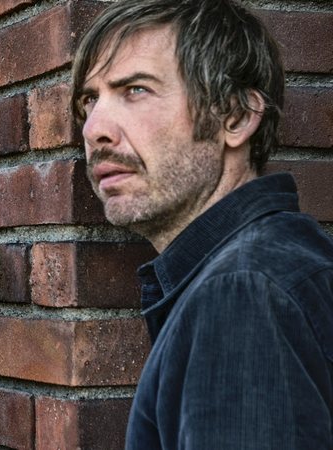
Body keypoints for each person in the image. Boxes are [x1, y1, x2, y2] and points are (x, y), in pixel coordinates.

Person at [70, 0, 333, 448]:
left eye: (135, 90)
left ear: (235, 117)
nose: (95, 127)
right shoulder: (271, 264)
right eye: (89, 100)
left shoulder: (242, 292)